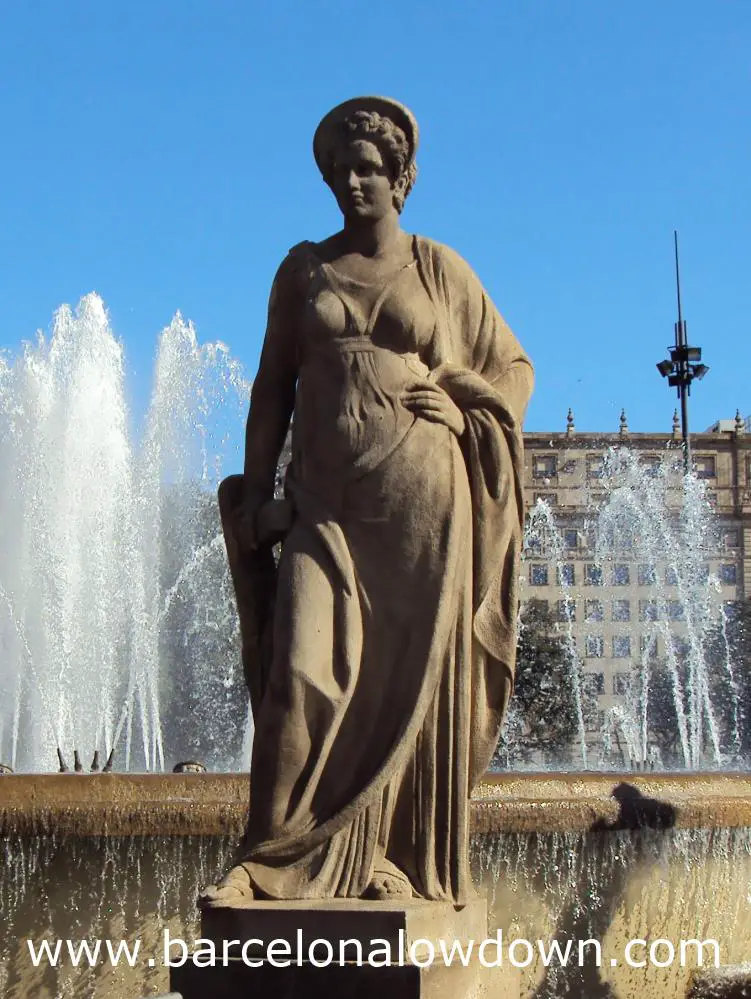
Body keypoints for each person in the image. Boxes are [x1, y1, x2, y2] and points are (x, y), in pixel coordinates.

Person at [200, 96, 533, 907]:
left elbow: (514, 369)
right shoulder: (303, 270)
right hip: (325, 505)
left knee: (403, 688)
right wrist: (255, 500)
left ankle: (390, 861)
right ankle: (267, 855)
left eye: (369, 170)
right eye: (340, 170)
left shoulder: (438, 269)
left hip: (425, 509)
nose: (353, 182)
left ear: (400, 178)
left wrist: (468, 412)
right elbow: (269, 392)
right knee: (300, 672)